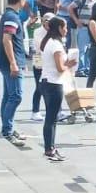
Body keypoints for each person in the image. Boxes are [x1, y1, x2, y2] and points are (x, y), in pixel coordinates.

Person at [0, 0, 34, 147]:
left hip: (11, 61)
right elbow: (7, 39)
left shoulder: (10, 15)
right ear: (21, 0)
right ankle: (7, 130)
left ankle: (8, 128)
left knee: (8, 95)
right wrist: (14, 63)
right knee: (16, 96)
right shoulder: (12, 17)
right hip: (11, 62)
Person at [37, 16, 75, 161]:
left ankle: (50, 147)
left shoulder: (48, 42)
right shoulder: (56, 45)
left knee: (50, 117)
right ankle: (49, 148)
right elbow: (60, 68)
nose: (66, 30)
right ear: (59, 28)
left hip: (46, 81)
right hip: (54, 83)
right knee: (52, 118)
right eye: (64, 27)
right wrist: (69, 65)